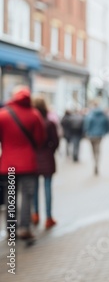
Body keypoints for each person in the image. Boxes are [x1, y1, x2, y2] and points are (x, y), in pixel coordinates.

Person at [0, 86, 46, 240]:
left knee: (10, 195)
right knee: (27, 195)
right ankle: (24, 227)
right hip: (28, 163)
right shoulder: (34, 114)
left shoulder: (3, 115)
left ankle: (11, 229)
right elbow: (40, 139)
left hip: (8, 164)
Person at [31, 96, 60, 229]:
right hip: (47, 157)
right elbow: (55, 141)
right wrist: (50, 151)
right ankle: (48, 217)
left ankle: (35, 214)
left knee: (35, 188)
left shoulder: (31, 122)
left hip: (34, 159)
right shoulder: (49, 122)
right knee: (47, 188)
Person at [84, 100, 109, 175]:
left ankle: (95, 162)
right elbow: (107, 124)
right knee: (98, 150)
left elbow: (87, 124)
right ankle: (96, 163)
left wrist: (86, 132)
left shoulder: (90, 114)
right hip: (99, 135)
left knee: (93, 150)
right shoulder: (102, 114)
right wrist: (105, 132)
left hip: (91, 135)